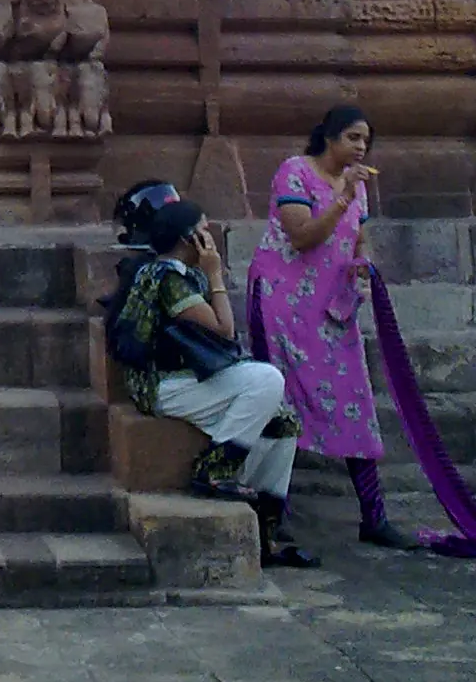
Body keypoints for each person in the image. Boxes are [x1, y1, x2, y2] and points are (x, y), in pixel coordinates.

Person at [105, 188, 317, 567]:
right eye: (204, 230)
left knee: (283, 425)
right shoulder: (168, 278)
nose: (211, 236)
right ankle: (214, 469)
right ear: (191, 239)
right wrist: (215, 273)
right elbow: (224, 329)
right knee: (268, 380)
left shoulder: (183, 275)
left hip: (191, 379)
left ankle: (264, 536)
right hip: (162, 384)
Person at [246, 104, 409, 547]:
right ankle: (271, 512)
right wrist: (341, 199)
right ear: (330, 137)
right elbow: (301, 237)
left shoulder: (358, 188)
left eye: (366, 141)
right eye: (354, 138)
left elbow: (360, 234)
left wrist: (363, 262)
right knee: (282, 400)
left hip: (332, 308)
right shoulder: (294, 173)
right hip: (284, 304)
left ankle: (373, 516)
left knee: (355, 398)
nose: (360, 148)